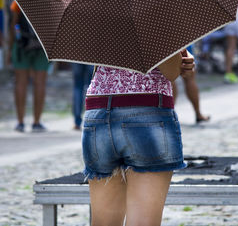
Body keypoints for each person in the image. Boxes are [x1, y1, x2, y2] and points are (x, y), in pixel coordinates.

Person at [82, 50, 194, 225]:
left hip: (98, 110)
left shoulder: (97, 20)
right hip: (147, 111)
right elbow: (171, 72)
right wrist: (180, 61)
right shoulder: (157, 20)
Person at [8, 0, 49, 132]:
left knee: (20, 82)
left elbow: (14, 25)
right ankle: (36, 122)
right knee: (40, 82)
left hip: (22, 45)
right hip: (42, 46)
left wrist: (11, 47)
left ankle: (20, 122)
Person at [172, 44, 210, 124]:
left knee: (169, 79)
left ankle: (170, 114)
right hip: (183, 41)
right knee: (189, 78)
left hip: (165, 43)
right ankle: (198, 113)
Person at [71, 64, 93, 130]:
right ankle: (91, 119)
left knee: (78, 87)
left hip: (77, 56)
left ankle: (77, 122)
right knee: (92, 86)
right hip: (93, 56)